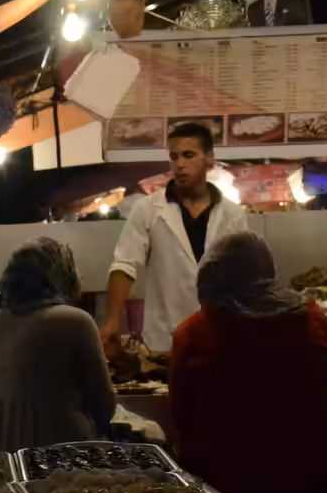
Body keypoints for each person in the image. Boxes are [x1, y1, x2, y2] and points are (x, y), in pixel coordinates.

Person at [169, 232, 327, 493]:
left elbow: (180, 417)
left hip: (227, 489)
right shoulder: (310, 318)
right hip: (310, 481)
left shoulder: (193, 334)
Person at [102, 122, 249, 352]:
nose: (179, 165)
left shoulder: (232, 214)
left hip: (219, 338)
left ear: (209, 158)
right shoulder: (148, 209)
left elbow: (243, 277)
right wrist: (112, 320)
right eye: (174, 157)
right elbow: (124, 264)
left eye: (188, 155)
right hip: (165, 340)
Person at [0, 238, 116, 452]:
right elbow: (105, 410)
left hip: (2, 461)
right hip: (57, 463)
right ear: (58, 276)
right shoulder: (74, 320)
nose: (80, 274)